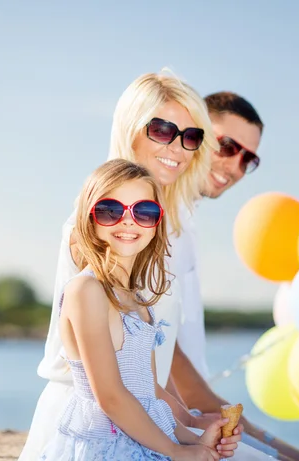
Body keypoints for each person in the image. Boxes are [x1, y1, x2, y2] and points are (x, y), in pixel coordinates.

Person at [20, 72, 275, 461]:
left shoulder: (163, 233)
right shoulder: (96, 227)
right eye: (162, 129)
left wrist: (187, 426)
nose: (178, 147)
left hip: (146, 417)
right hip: (92, 427)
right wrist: (177, 447)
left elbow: (146, 374)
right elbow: (109, 392)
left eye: (192, 137)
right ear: (132, 128)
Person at [39, 158, 240, 460]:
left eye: (144, 211)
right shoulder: (87, 291)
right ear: (89, 218)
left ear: (156, 223)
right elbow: (110, 396)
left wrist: (195, 438)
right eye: (111, 210)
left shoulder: (137, 301)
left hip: (143, 439)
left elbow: (150, 394)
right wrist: (174, 450)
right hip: (105, 448)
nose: (129, 221)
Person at [165, 92, 299, 461]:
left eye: (249, 158)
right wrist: (274, 444)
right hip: (172, 422)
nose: (235, 166)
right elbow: (165, 353)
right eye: (227, 146)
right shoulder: (155, 218)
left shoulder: (184, 219)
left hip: (191, 417)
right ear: (193, 134)